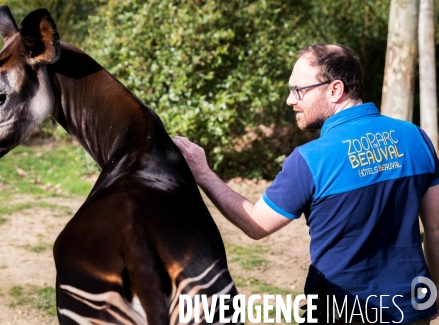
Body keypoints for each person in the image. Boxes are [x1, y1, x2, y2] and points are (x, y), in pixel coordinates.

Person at [173, 44, 439, 325]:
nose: (290, 100)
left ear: (335, 90)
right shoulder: (415, 138)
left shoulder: (310, 160)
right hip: (411, 309)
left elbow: (255, 224)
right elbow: (435, 229)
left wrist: (202, 173)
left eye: (298, 90)